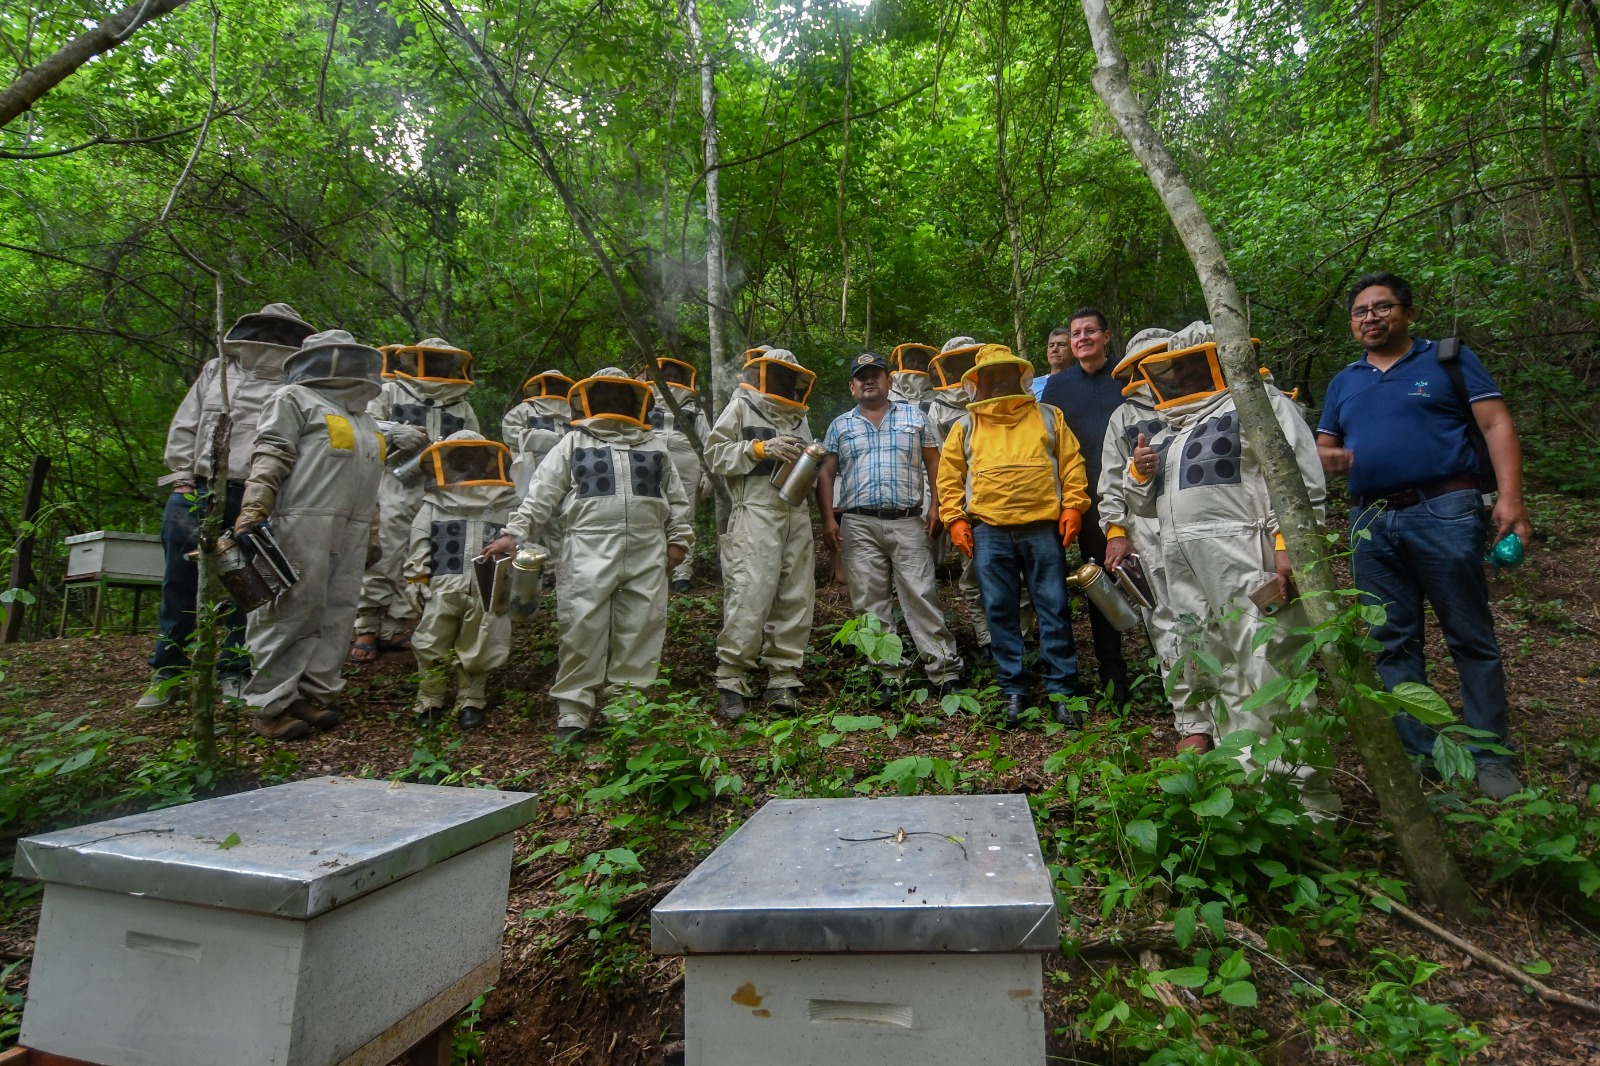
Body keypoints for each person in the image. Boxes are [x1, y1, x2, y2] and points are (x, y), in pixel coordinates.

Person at [1317, 271, 1531, 800]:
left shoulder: (1446, 361)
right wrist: (1327, 459)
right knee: (1391, 639)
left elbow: (1496, 425)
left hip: (1446, 507)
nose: (1371, 318)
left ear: (1408, 314)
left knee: (1469, 634)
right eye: (1361, 311)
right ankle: (1418, 754)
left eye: (1381, 307)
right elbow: (1320, 448)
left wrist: (1510, 498)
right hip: (1370, 520)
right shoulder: (1345, 381)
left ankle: (1490, 757)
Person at [1124, 321, 1340, 817]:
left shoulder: (1263, 404)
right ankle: (1244, 787)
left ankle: (1303, 807)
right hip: (1185, 565)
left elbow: (1298, 479)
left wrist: (1291, 545)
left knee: (1270, 666)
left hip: (1249, 556)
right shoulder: (1171, 425)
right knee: (1214, 667)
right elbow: (1143, 503)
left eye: (1188, 365)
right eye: (1172, 368)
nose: (1179, 376)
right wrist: (1140, 470)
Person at [485, 368, 693, 742]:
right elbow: (541, 494)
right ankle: (573, 711)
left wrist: (679, 541)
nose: (614, 402)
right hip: (587, 545)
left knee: (642, 626)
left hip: (648, 546)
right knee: (582, 625)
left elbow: (677, 499)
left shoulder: (654, 446)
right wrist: (513, 534)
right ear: (590, 399)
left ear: (636, 401)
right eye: (606, 395)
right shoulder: (571, 443)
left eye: (621, 395)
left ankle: (626, 711)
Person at [139, 303, 317, 710]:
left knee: (250, 588)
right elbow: (187, 425)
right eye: (268, 331)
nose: (274, 340)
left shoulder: (302, 385)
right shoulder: (216, 371)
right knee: (179, 580)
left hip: (262, 496)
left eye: (283, 333)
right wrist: (183, 479)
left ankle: (235, 669)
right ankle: (169, 671)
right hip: (198, 489)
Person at [234, 330, 387, 741]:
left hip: (351, 526)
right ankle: (268, 706)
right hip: (300, 521)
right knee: (290, 608)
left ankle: (310, 695)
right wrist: (253, 509)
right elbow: (271, 452)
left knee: (338, 611)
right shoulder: (292, 399)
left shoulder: (365, 418)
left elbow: (370, 481)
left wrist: (372, 531)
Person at [937, 344, 1090, 728]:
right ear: (979, 381)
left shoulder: (1047, 415)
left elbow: (1072, 463)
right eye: (991, 375)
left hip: (1042, 527)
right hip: (988, 529)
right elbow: (949, 477)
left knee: (1053, 610)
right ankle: (1014, 691)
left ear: (1018, 375)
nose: (999, 380)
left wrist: (1074, 505)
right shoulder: (965, 425)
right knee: (1001, 612)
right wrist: (954, 518)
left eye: (1005, 373)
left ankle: (1063, 692)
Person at [817, 351, 963, 703]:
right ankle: (889, 675)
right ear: (852, 386)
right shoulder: (840, 425)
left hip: (908, 520)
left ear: (889, 381)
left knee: (921, 592)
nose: (869, 381)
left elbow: (934, 463)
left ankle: (943, 670)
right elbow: (826, 473)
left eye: (876, 375)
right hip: (859, 523)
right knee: (869, 601)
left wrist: (937, 506)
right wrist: (827, 519)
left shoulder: (916, 417)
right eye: (862, 376)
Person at [705, 347, 818, 721]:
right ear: (762, 373)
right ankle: (732, 678)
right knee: (749, 593)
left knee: (795, 595)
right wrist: (759, 448)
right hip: (753, 513)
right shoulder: (740, 407)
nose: (785, 382)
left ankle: (783, 678)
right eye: (779, 374)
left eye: (790, 375)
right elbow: (715, 455)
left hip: (796, 513)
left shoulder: (799, 419)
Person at [351, 338, 480, 663]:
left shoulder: (461, 406)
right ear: (415, 360)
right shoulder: (390, 391)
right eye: (431, 359)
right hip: (396, 485)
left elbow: (478, 447)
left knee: (422, 556)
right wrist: (394, 431)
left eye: (442, 360)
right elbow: (362, 425)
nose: (437, 366)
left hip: (442, 492)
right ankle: (366, 625)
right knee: (389, 553)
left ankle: (394, 625)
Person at [1042, 307, 1134, 705]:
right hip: (1087, 500)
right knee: (1100, 585)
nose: (1082, 338)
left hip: (1139, 493)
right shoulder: (1059, 386)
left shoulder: (1127, 377)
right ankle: (1114, 677)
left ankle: (1175, 666)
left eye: (1090, 331)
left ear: (1105, 336)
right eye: (1076, 332)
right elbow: (1050, 442)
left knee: (1154, 581)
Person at [404, 432, 518, 730]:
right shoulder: (433, 502)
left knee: (479, 643)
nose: (468, 463)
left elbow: (521, 542)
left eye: (474, 457)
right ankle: (429, 699)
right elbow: (420, 540)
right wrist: (416, 576)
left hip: (487, 588)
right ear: (449, 462)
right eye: (461, 457)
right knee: (430, 642)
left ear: (488, 461)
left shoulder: (507, 503)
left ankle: (471, 699)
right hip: (442, 586)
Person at [928, 339, 992, 655]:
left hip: (1002, 498)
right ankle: (985, 637)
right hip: (964, 503)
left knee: (1013, 571)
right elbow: (941, 464)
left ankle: (1021, 633)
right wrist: (949, 509)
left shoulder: (997, 396)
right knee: (973, 570)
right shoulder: (937, 409)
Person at [645, 357, 711, 594]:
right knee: (651, 513)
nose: (671, 381)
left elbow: (707, 442)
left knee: (685, 515)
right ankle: (652, 568)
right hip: (649, 461)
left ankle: (682, 572)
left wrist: (707, 473)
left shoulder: (693, 409)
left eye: (675, 377)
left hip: (686, 463)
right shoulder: (645, 404)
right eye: (667, 376)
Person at [502, 370, 575, 500]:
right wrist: (551, 440)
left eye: (559, 385)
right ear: (541, 386)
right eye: (552, 384)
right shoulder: (524, 409)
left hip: (567, 474)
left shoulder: (574, 415)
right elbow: (510, 433)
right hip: (531, 475)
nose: (556, 388)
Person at [888, 343, 939, 409]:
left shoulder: (937, 397)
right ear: (901, 362)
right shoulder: (886, 393)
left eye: (921, 362)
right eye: (911, 361)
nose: (916, 364)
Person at [1030, 326, 1073, 400]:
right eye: (1051, 345)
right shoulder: (1031, 385)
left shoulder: (1082, 382)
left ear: (1073, 351)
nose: (1054, 349)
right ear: (1047, 352)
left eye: (1061, 345)